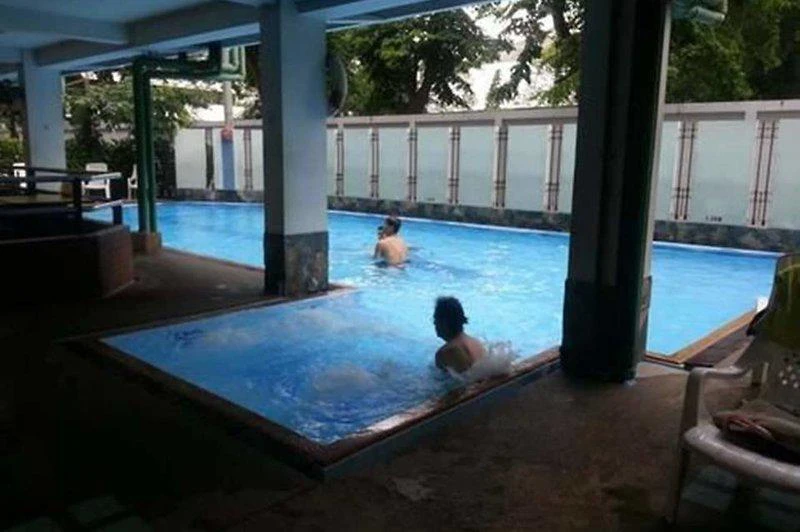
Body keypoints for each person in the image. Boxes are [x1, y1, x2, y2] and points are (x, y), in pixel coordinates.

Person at [433, 296, 486, 374]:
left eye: (435, 319)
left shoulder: (447, 352)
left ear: (444, 322)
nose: (434, 323)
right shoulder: (476, 342)